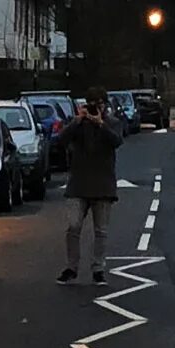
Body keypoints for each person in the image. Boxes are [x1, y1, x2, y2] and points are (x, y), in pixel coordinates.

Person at [58, 92, 120, 287]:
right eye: (91, 105)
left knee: (101, 231)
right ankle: (71, 268)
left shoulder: (111, 123)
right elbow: (61, 140)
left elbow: (117, 141)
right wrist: (78, 120)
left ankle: (98, 269)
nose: (95, 109)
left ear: (105, 105)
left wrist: (100, 123)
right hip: (78, 185)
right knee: (73, 227)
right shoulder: (78, 124)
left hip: (103, 186)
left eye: (99, 105)